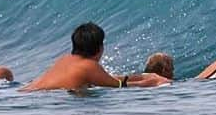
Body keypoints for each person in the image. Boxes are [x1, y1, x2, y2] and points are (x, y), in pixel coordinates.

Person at [21, 23, 169, 92]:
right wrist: (153, 82)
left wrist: (140, 77)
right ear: (99, 49)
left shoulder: (65, 60)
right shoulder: (89, 66)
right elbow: (120, 87)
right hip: (39, 98)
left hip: (25, 93)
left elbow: (107, 79)